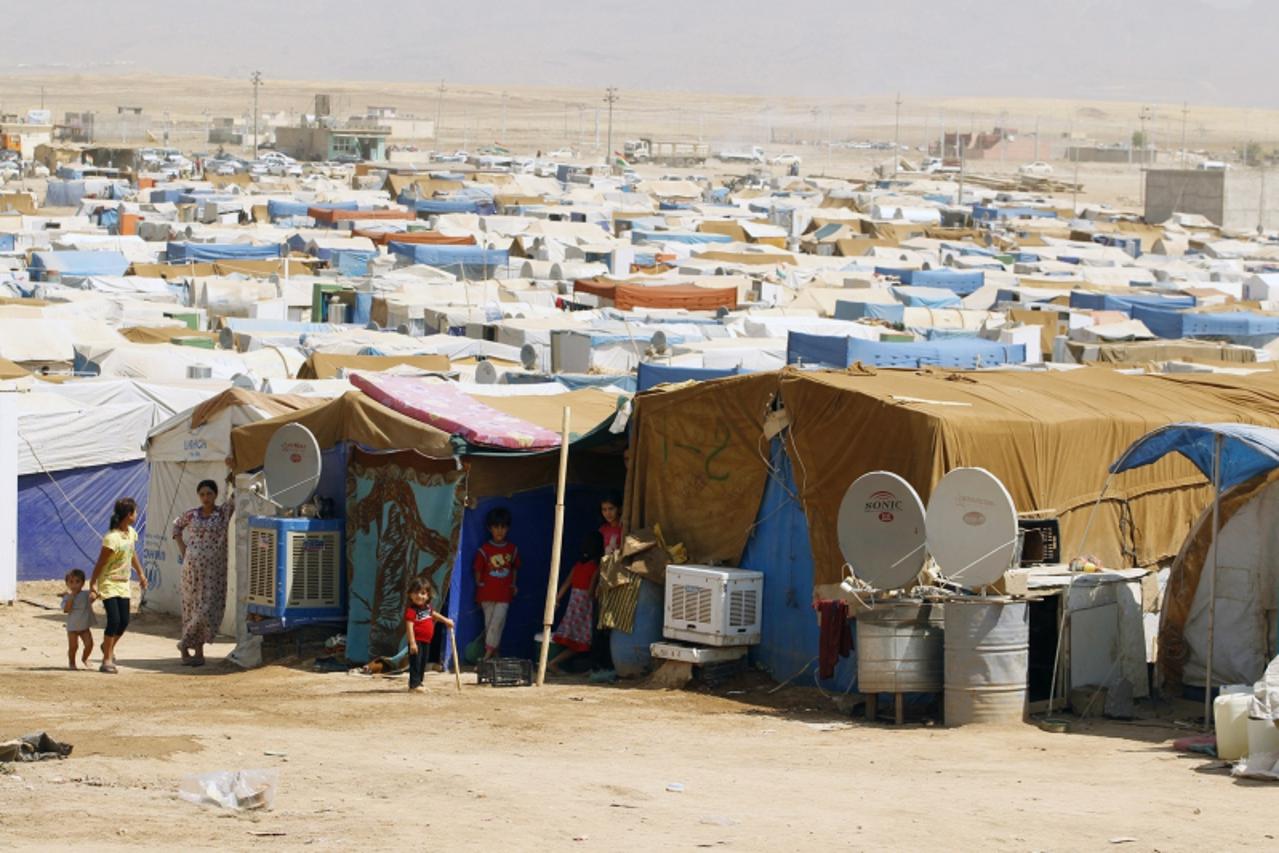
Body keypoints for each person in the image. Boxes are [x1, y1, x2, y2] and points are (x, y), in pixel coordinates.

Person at [172, 479, 234, 667]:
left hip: (213, 572)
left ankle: (184, 644)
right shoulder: (191, 515)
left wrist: (234, 472)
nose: (206, 498)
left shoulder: (222, 513)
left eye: (209, 494)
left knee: (207, 609)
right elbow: (176, 526)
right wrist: (183, 548)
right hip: (192, 570)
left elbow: (237, 496)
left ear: (215, 495)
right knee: (191, 609)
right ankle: (195, 652)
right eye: (202, 494)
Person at [88, 498, 148, 674]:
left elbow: (132, 554)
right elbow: (100, 563)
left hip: (123, 583)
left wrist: (141, 573)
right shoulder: (111, 538)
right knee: (113, 620)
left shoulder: (131, 533)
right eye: (135, 512)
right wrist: (93, 584)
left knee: (124, 621)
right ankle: (107, 658)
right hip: (108, 582)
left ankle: (107, 645)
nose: (136, 515)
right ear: (129, 515)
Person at [549, 531, 603, 675]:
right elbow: (591, 591)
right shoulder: (596, 568)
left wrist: (557, 600)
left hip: (574, 606)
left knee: (574, 640)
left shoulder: (578, 566)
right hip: (585, 608)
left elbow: (566, 584)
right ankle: (553, 663)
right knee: (582, 641)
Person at [473, 507, 520, 661]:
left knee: (497, 622)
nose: (499, 531)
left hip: (504, 594)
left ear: (508, 528)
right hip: (487, 594)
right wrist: (479, 589)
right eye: (496, 527)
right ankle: (495, 654)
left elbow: (514, 569)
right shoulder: (484, 550)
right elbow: (478, 572)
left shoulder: (512, 549)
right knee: (490, 625)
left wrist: (513, 585)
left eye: (503, 527)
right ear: (489, 528)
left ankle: (486, 656)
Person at [404, 576, 454, 693]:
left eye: (423, 593)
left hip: (426, 641)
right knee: (415, 663)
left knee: (422, 662)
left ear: (427, 596)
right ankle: (413, 685)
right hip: (416, 641)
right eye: (416, 592)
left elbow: (434, 614)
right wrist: (412, 642)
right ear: (410, 594)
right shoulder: (411, 611)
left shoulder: (427, 608)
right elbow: (409, 627)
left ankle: (419, 683)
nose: (419, 596)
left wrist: (446, 621)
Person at [61, 569, 94, 670]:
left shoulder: (85, 594)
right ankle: (72, 663)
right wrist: (71, 598)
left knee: (89, 645)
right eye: (71, 582)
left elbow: (93, 597)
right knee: (73, 647)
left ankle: (85, 658)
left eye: (77, 581)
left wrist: (95, 594)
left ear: (83, 583)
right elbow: (66, 610)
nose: (74, 585)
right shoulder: (67, 597)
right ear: (67, 584)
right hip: (72, 627)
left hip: (84, 626)